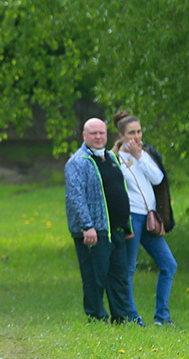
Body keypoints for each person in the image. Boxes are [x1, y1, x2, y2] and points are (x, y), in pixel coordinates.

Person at [64, 117, 141, 325]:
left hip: (114, 230)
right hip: (93, 232)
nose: (98, 137)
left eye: (102, 133)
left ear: (107, 135)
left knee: (119, 277)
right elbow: (75, 197)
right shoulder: (78, 162)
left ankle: (122, 318)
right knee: (95, 278)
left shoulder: (110, 158)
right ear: (84, 136)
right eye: (93, 133)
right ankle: (96, 318)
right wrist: (87, 226)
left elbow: (120, 191)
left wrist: (127, 226)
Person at [112, 111, 178, 326]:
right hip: (131, 218)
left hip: (150, 217)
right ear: (121, 135)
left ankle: (162, 318)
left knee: (169, 264)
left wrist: (140, 157)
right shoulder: (115, 159)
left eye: (139, 132)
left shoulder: (145, 153)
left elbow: (158, 178)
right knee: (129, 269)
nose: (137, 137)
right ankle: (132, 317)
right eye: (132, 133)